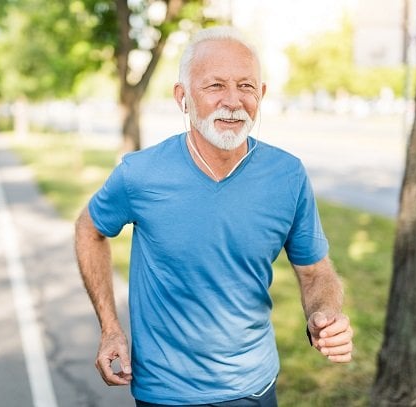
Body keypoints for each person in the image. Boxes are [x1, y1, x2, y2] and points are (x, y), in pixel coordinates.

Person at [75, 26, 353, 407]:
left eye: (246, 86)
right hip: (165, 392)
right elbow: (89, 228)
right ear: (183, 97)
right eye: (215, 86)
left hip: (253, 387)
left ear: (262, 95)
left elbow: (315, 271)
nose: (233, 101)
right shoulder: (140, 173)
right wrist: (109, 328)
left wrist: (324, 316)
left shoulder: (287, 175)